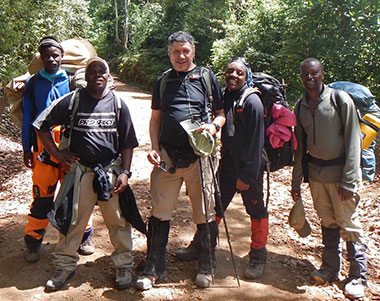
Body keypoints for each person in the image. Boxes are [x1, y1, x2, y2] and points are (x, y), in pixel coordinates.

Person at [33, 57, 139, 291]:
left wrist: (126, 172)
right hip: (80, 173)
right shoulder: (73, 100)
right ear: (85, 76)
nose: (97, 75)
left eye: (102, 71)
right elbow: (41, 125)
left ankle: (123, 265)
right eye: (92, 71)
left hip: (110, 173)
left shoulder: (118, 104)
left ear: (109, 76)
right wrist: (57, 155)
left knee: (119, 222)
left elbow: (128, 142)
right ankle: (65, 266)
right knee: (72, 222)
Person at [135, 31, 225, 290]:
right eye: (176, 52)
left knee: (205, 212)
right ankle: (153, 267)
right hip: (167, 158)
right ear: (169, 53)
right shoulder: (163, 81)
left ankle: (207, 265)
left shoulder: (207, 78)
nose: (181, 56)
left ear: (193, 51)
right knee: (159, 213)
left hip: (200, 157)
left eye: (186, 51)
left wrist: (212, 127)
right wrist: (153, 148)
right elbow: (155, 120)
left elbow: (221, 115)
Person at [176, 57, 269, 279]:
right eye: (229, 72)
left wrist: (247, 175)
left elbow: (257, 144)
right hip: (226, 164)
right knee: (214, 207)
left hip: (249, 168)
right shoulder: (226, 96)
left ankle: (258, 255)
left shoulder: (252, 102)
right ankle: (201, 245)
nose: (233, 76)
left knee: (256, 211)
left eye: (239, 73)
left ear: (246, 75)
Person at [291, 58, 368, 299]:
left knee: (348, 223)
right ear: (301, 77)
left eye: (314, 73)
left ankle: (358, 276)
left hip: (341, 175)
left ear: (322, 74)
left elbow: (353, 141)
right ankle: (330, 268)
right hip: (316, 175)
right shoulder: (300, 105)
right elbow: (299, 146)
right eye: (305, 74)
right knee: (328, 220)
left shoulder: (340, 99)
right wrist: (296, 180)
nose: (310, 78)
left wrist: (349, 181)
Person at [21, 36, 94, 263]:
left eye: (55, 55)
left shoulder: (73, 80)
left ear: (62, 57)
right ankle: (33, 242)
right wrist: (26, 148)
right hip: (43, 149)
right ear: (41, 58)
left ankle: (84, 238)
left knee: (75, 194)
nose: (52, 59)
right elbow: (27, 119)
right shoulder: (33, 84)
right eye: (47, 55)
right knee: (42, 195)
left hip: (70, 145)